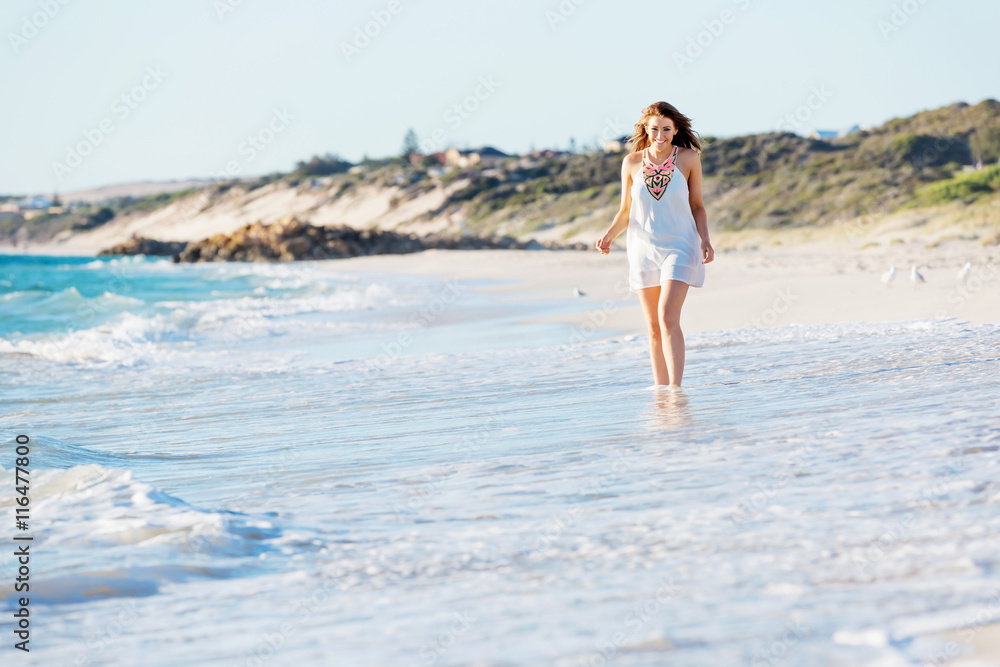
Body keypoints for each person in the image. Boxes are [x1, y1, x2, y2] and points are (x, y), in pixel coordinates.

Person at [596, 101, 714, 387]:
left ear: (674, 131)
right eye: (654, 129)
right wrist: (609, 235)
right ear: (646, 131)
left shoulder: (688, 159)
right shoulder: (631, 162)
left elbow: (697, 205)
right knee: (652, 327)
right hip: (643, 249)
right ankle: (662, 393)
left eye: (666, 129)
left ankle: (676, 390)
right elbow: (625, 211)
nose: (660, 135)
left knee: (667, 317)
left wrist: (706, 238)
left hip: (680, 246)